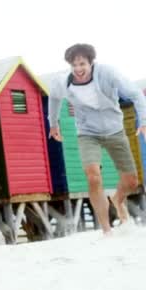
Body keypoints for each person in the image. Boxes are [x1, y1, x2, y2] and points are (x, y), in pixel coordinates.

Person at [48, 43, 146, 234]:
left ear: (91, 63)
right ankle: (106, 230)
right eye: (74, 65)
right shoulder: (63, 82)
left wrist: (143, 121)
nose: (78, 69)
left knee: (131, 181)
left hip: (115, 130)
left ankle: (118, 199)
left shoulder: (108, 73)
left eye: (82, 64)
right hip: (87, 132)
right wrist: (53, 124)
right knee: (93, 176)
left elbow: (135, 94)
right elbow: (54, 97)